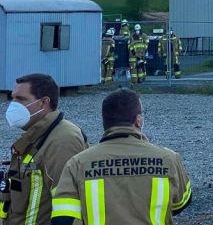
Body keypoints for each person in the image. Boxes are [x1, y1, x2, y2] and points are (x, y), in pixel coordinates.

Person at [51, 89, 192, 224]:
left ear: (105, 121)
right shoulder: (168, 158)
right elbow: (181, 203)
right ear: (138, 121)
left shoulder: (78, 163)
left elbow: (63, 218)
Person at [0, 74, 88, 224]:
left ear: (44, 102)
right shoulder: (37, 136)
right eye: (12, 97)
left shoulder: (63, 141)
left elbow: (68, 207)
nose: (13, 105)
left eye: (21, 99)